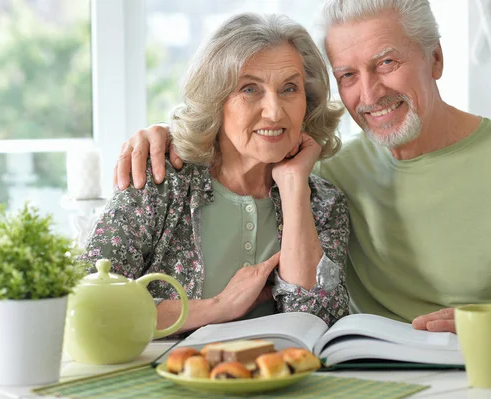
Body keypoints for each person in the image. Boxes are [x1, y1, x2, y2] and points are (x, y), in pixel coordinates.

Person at [115, 0, 491, 367]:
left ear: (435, 59)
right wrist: (164, 136)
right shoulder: (333, 173)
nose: (371, 93)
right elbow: (249, 144)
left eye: (386, 63)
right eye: (348, 75)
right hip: (370, 379)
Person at [82, 13, 350, 334]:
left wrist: (294, 187)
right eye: (250, 89)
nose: (275, 111)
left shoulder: (323, 203)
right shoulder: (162, 180)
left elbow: (317, 320)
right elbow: (88, 303)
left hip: (279, 378)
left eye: (289, 88)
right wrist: (219, 307)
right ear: (215, 100)